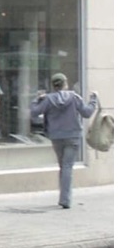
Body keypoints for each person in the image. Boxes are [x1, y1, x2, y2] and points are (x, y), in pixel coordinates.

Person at [31, 73, 99, 209]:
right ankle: (65, 199)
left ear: (53, 85)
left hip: (56, 137)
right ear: (65, 83)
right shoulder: (74, 98)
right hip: (73, 136)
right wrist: (93, 99)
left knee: (63, 166)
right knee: (67, 167)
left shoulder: (48, 100)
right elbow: (87, 113)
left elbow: (34, 112)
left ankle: (64, 198)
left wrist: (37, 99)